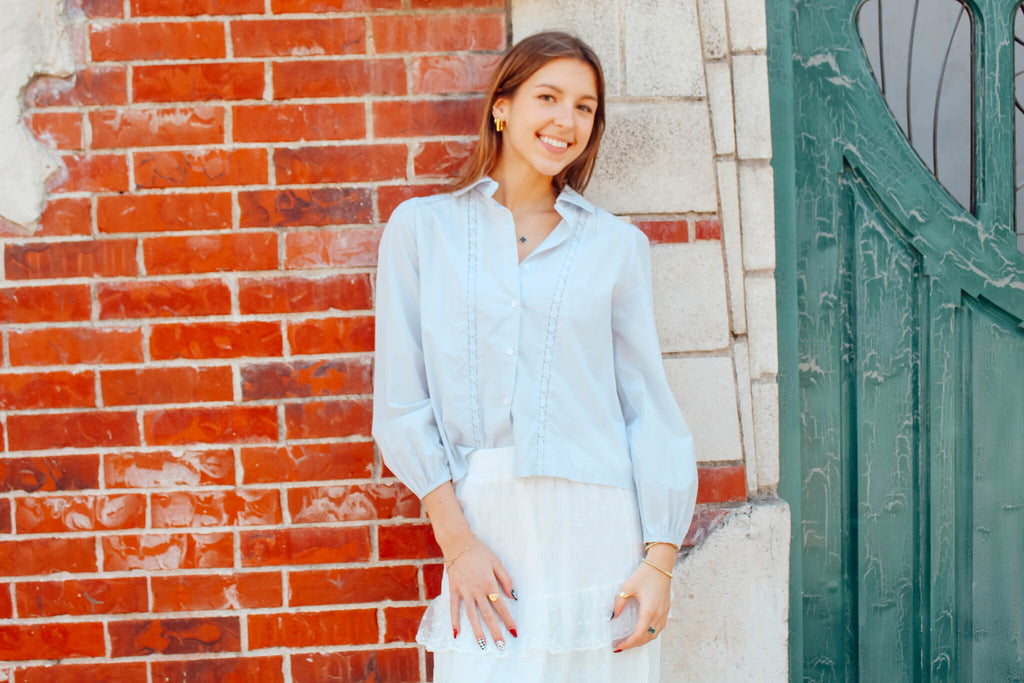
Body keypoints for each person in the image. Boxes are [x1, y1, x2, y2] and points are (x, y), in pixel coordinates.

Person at [372, 31, 698, 683]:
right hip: (486, 531)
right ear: (502, 106)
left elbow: (649, 410)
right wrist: (457, 543)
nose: (565, 120)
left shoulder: (616, 246)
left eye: (584, 107)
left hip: (602, 531)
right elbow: (401, 403)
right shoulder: (422, 229)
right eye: (548, 97)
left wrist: (659, 561)